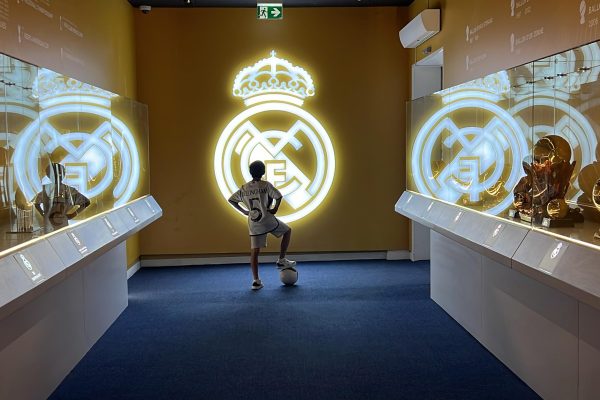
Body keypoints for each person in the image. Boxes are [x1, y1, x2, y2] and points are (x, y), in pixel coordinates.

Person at [228, 160, 296, 290]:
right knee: (287, 231)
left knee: (255, 252)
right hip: (267, 218)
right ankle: (281, 259)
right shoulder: (266, 185)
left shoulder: (244, 188)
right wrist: (275, 209)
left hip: (254, 222)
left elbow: (231, 200)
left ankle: (256, 281)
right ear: (263, 172)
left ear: (250, 173)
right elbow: (278, 196)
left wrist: (244, 211)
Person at [33, 163, 90, 231]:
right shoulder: (47, 189)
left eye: (59, 174)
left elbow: (86, 202)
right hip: (51, 223)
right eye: (54, 174)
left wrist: (73, 214)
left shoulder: (67, 190)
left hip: (59, 223)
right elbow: (37, 204)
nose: (57, 176)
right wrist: (73, 214)